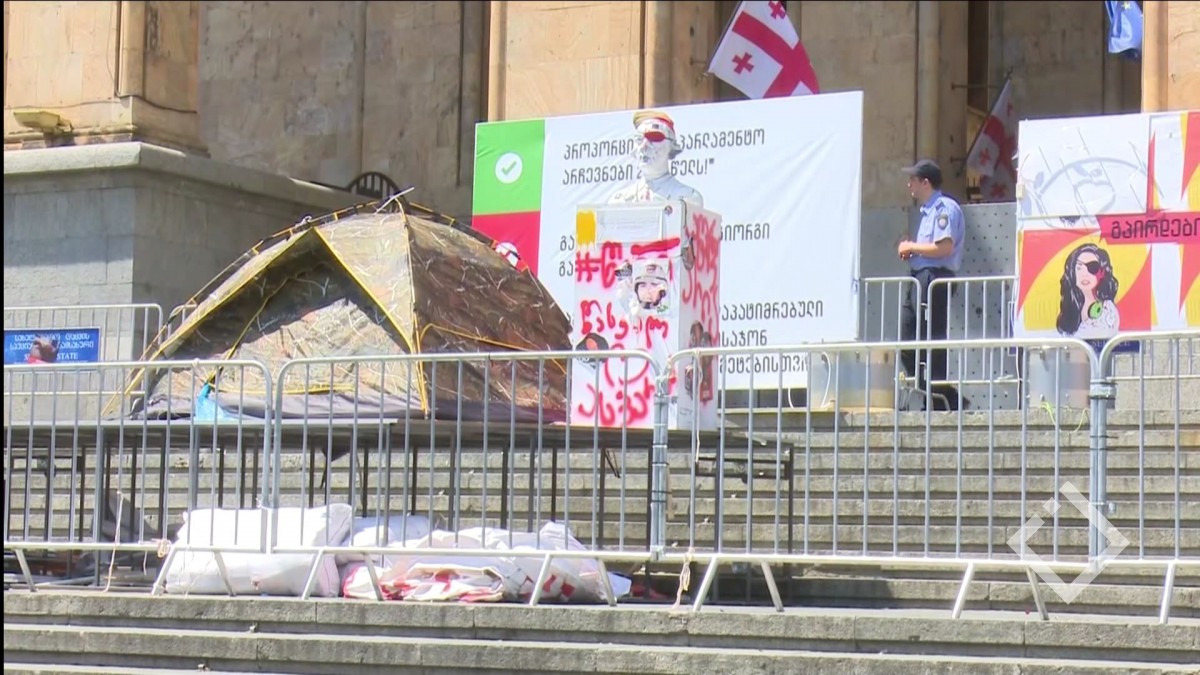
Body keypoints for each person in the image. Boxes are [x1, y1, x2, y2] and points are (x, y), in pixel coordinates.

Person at [897, 159, 967, 411]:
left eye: (913, 180)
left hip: (934, 277)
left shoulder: (943, 208)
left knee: (931, 338)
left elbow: (944, 247)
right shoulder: (927, 211)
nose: (909, 185)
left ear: (925, 183)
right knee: (909, 340)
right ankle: (943, 395)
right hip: (919, 276)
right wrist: (913, 251)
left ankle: (938, 398)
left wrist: (912, 246)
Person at [609, 110, 704, 207]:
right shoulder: (620, 200)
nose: (644, 146)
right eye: (639, 139)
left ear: (671, 146)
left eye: (654, 138)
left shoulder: (687, 197)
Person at [1056, 242, 1120, 339]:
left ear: (1102, 272)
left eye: (1092, 268)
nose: (1084, 274)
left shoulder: (1108, 310)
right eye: (1079, 268)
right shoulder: (1071, 306)